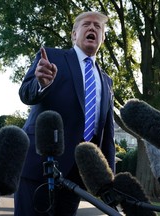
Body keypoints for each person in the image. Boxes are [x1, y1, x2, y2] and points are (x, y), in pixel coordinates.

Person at [14, 11, 115, 216]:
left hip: (75, 175)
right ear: (74, 34)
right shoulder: (51, 57)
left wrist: (109, 180)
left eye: (98, 27)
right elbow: (26, 93)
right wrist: (42, 84)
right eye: (87, 24)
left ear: (103, 38)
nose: (93, 28)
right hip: (40, 163)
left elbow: (107, 133)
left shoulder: (106, 81)